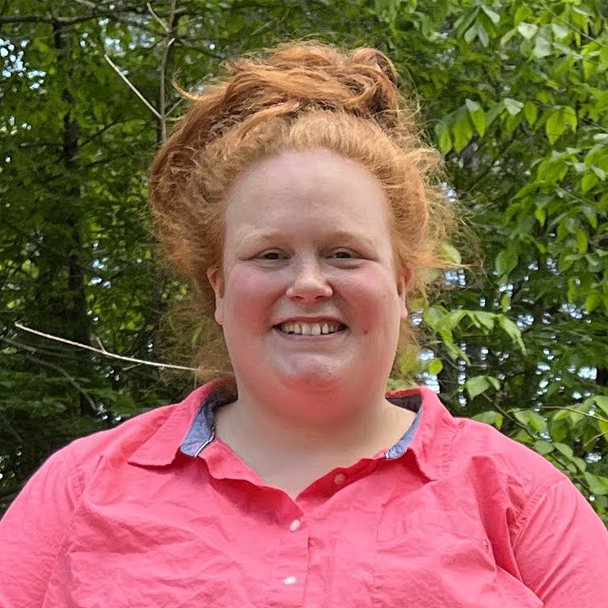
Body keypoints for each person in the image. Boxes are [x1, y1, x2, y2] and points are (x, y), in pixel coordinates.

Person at [0, 42, 607, 608]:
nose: (309, 284)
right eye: (270, 255)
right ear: (218, 289)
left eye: (345, 253)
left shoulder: (519, 499)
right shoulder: (79, 488)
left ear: (400, 287)